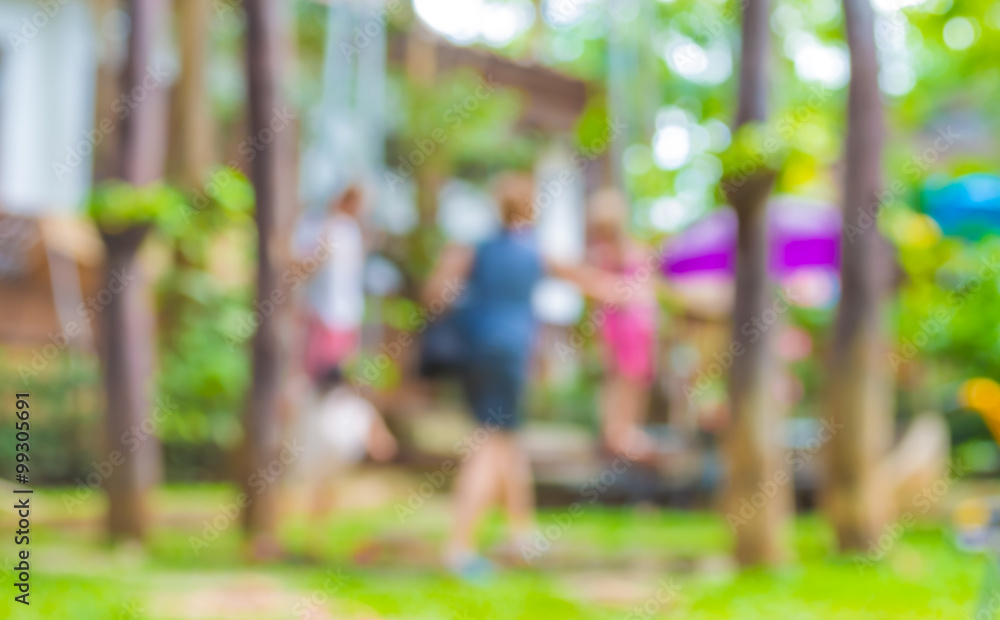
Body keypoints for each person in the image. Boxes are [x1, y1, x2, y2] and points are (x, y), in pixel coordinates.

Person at [423, 172, 544, 579]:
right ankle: (459, 546)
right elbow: (591, 282)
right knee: (490, 442)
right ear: (531, 206)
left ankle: (520, 535)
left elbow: (435, 290)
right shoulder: (534, 252)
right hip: (509, 355)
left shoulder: (476, 249)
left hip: (476, 351)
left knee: (507, 439)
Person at [575, 188, 659, 462]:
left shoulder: (625, 254)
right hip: (622, 329)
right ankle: (620, 434)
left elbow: (627, 292)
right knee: (621, 383)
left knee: (628, 383)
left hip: (632, 328)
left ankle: (624, 434)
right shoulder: (609, 254)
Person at [293, 366, 397, 523]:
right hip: (329, 452)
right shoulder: (355, 407)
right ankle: (317, 523)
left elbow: (382, 442)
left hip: (328, 453)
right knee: (321, 487)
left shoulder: (355, 407)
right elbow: (382, 442)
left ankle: (317, 523)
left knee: (321, 487)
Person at [295, 183, 368, 381]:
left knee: (318, 374)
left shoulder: (335, 227)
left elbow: (309, 264)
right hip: (339, 312)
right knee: (334, 374)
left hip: (327, 312)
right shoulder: (348, 229)